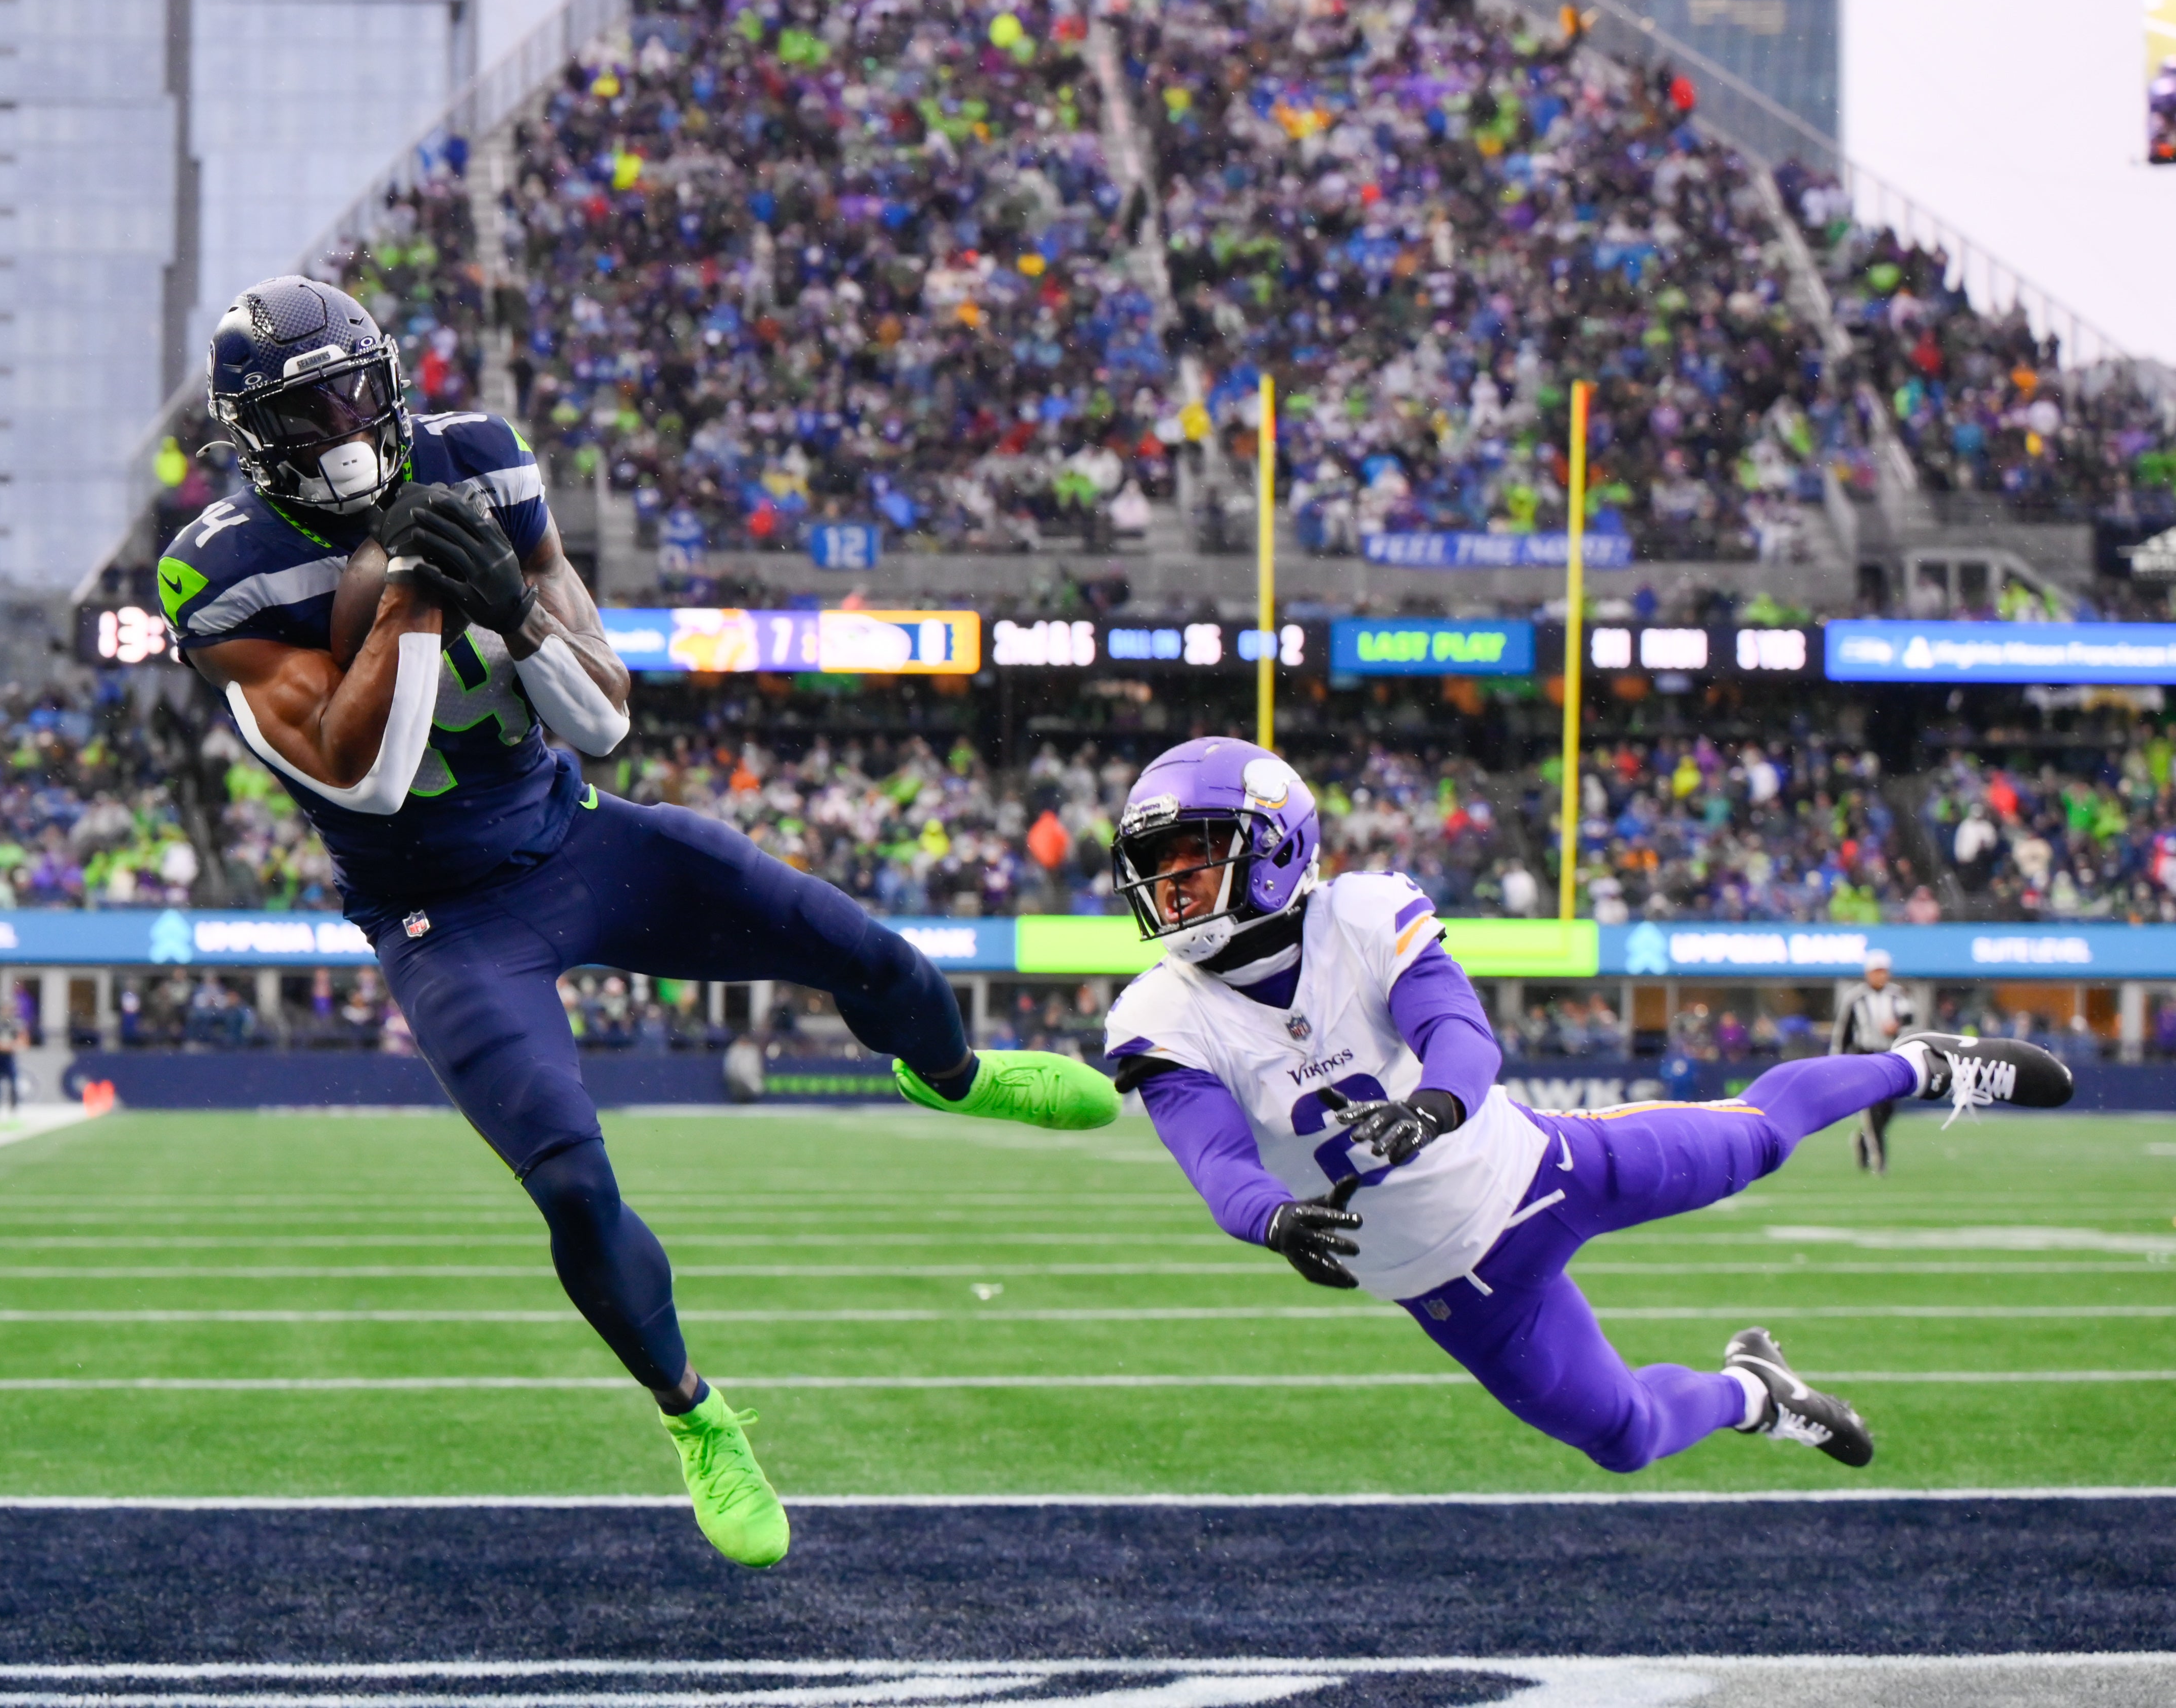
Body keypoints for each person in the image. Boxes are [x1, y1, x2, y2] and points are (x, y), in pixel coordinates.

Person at [157, 276, 1118, 1569]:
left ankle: (950, 1072)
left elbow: (607, 718)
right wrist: (413, 601)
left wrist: (512, 604)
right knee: (568, 1177)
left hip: (577, 834)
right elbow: (368, 775)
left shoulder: (481, 458)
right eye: (305, 406)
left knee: (869, 949)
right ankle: (699, 1416)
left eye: (353, 385)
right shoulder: (218, 570)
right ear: (251, 435)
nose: (342, 421)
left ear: (388, 373)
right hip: (443, 913)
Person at [1099, 738, 2074, 1477]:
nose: (1169, 886)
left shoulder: (1360, 913)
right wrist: (1273, 1220)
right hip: (1456, 1290)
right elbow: (1216, 1162)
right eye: (1157, 864)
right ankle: (1755, 1394)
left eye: (1193, 855)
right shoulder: (1160, 1014)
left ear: (1274, 848)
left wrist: (1434, 1107)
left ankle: (1922, 1066)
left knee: (1763, 1138)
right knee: (1627, 1440)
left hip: (1547, 1172)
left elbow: (1461, 1034)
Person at [1830, 948, 1919, 1173]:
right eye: (1877, 972)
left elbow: (1911, 1022)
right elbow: (1844, 1033)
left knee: (1888, 1110)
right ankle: (1879, 1162)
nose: (1881, 976)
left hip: (1890, 1056)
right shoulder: (1856, 997)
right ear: (1869, 973)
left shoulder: (1898, 995)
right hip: (1865, 1056)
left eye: (1884, 972)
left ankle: (1862, 1140)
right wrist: (1835, 1064)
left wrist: (1897, 1027)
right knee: (1872, 1110)